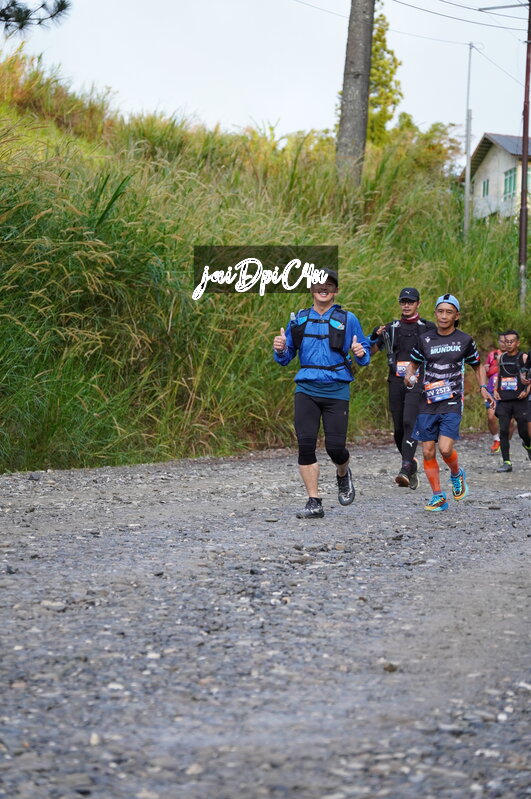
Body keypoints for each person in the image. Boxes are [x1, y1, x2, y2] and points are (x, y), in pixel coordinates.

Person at [273, 270, 370, 519]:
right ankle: (314, 501)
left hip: (337, 390)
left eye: (329, 285)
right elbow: (285, 358)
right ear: (311, 289)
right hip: (306, 389)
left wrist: (360, 352)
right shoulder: (299, 319)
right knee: (305, 445)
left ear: (335, 290)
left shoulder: (348, 319)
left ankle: (343, 472)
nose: (323, 288)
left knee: (335, 448)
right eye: (318, 284)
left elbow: (364, 354)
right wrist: (281, 349)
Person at [404, 294, 494, 512]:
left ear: (457, 315)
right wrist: (408, 376)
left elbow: (477, 366)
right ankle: (438, 496)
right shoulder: (425, 339)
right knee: (427, 451)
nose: (444, 316)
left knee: (445, 449)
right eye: (440, 311)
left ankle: (456, 473)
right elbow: (413, 365)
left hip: (452, 401)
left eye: (449, 312)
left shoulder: (464, 340)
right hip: (427, 401)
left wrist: (483, 387)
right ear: (435, 313)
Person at [369, 287, 436, 489]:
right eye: (403, 302)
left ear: (418, 304)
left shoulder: (428, 328)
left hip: (418, 380)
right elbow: (370, 352)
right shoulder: (391, 328)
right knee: (398, 428)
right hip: (396, 380)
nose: (406, 305)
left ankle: (405, 468)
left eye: (410, 302)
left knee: (409, 422)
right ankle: (411, 463)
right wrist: (373, 336)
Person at [493, 329, 531, 472]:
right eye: (506, 341)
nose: (508, 344)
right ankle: (506, 462)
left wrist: (527, 390)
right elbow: (499, 375)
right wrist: (495, 390)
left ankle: (528, 445)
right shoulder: (501, 358)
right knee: (503, 430)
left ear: (517, 343)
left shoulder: (524, 357)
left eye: (511, 341)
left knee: (523, 432)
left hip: (520, 400)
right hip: (504, 400)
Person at [484, 334, 504, 453]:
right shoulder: (492, 355)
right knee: (491, 416)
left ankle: (505, 442)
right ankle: (496, 439)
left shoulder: (516, 356)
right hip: (492, 390)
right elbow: (487, 372)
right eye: (501, 341)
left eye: (506, 341)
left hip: (508, 391)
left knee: (510, 421)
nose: (504, 343)